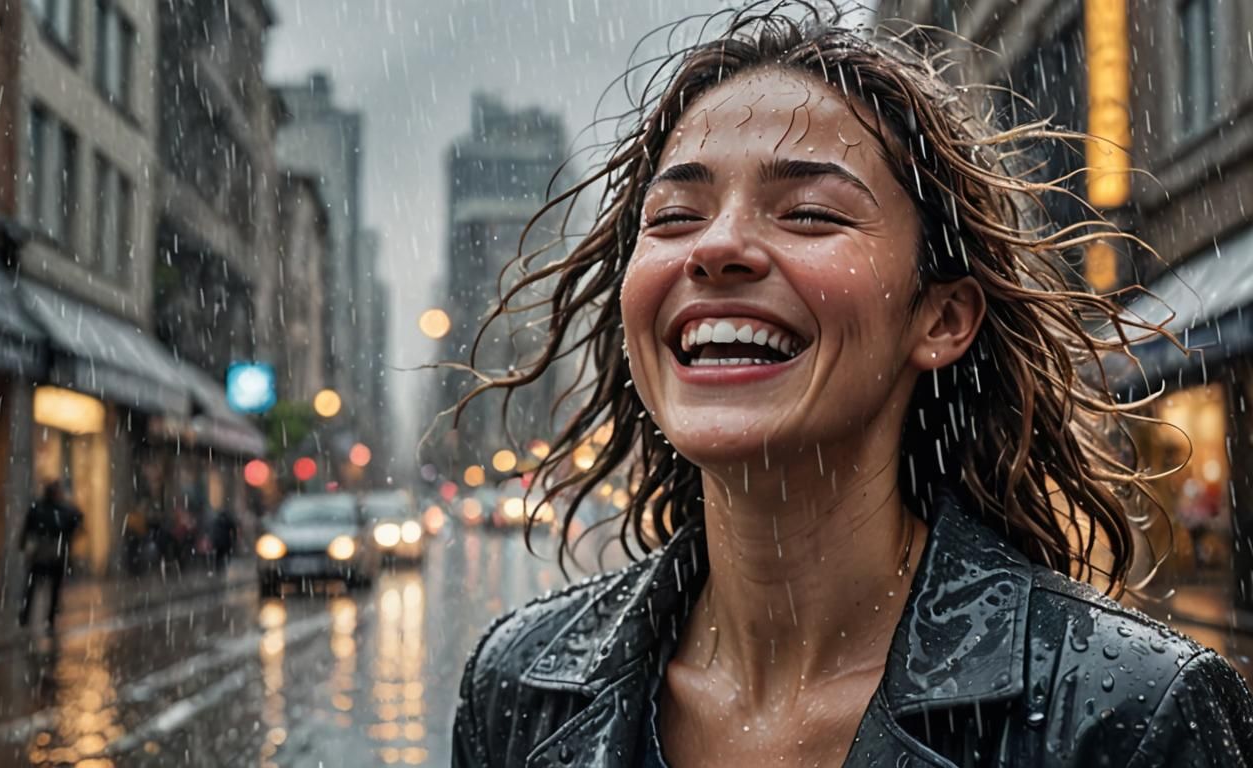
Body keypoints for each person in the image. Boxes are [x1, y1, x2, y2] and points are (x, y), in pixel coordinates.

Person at [451, 4, 1253, 766]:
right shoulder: (519, 689)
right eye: (673, 217)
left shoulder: (1131, 715)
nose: (718, 245)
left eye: (807, 213)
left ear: (940, 319)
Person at [18, 480, 83, 631]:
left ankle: (27, 616)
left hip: (44, 552)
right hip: (53, 552)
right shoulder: (60, 509)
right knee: (51, 587)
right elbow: (75, 520)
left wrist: (23, 544)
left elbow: (28, 527)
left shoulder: (40, 508)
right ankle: (48, 619)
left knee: (34, 586)